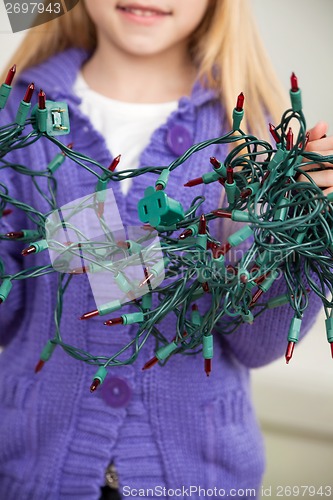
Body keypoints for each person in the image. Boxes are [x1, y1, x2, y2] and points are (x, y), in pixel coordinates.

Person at [0, 1, 332, 499]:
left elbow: (259, 341)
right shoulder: (21, 113)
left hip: (200, 478)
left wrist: (309, 227)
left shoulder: (255, 128)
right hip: (33, 473)